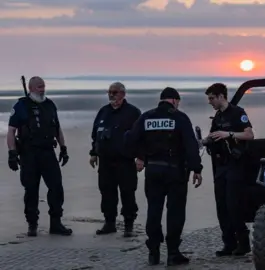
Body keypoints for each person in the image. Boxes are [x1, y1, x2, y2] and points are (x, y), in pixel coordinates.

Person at [125, 87, 203, 266]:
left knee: (154, 210)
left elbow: (129, 140)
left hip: (153, 171)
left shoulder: (146, 117)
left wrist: (141, 156)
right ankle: (173, 253)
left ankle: (153, 251)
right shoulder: (180, 117)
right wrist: (196, 168)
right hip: (175, 172)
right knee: (175, 212)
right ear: (175, 100)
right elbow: (191, 145)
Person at [6, 76, 72, 237]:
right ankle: (32, 224)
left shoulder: (50, 105)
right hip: (29, 154)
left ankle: (56, 223)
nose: (42, 89)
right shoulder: (21, 105)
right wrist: (12, 153)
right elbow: (11, 131)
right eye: (39, 87)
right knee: (31, 189)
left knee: (56, 187)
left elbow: (57, 128)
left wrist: (63, 148)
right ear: (30, 88)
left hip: (48, 152)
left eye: (43, 86)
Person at [201, 83, 254, 257]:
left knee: (233, 205)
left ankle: (243, 242)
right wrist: (205, 140)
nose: (210, 102)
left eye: (211, 98)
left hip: (235, 165)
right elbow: (212, 134)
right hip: (220, 165)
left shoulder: (238, 113)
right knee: (221, 205)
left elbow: (249, 135)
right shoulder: (218, 116)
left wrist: (229, 134)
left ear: (221, 96)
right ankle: (229, 243)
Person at [89, 82, 142, 237]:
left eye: (115, 92)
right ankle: (109, 223)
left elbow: (141, 137)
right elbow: (95, 135)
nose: (111, 95)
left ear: (123, 94)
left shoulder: (133, 113)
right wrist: (93, 153)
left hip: (125, 162)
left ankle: (128, 225)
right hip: (105, 162)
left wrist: (141, 158)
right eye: (109, 92)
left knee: (128, 194)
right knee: (106, 193)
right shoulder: (103, 112)